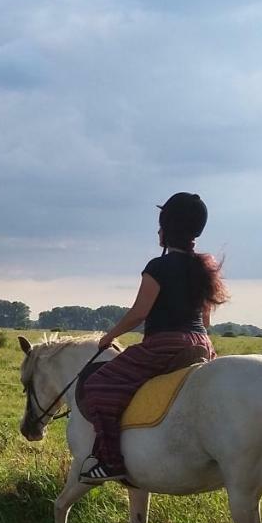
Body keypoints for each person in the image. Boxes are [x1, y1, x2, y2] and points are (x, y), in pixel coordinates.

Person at [78, 193, 229, 483]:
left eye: (160, 226)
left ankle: (110, 462)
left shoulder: (157, 267)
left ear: (167, 229)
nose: (158, 232)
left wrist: (108, 338)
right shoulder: (204, 268)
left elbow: (139, 313)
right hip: (201, 345)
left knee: (98, 385)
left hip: (165, 346)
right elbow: (207, 319)